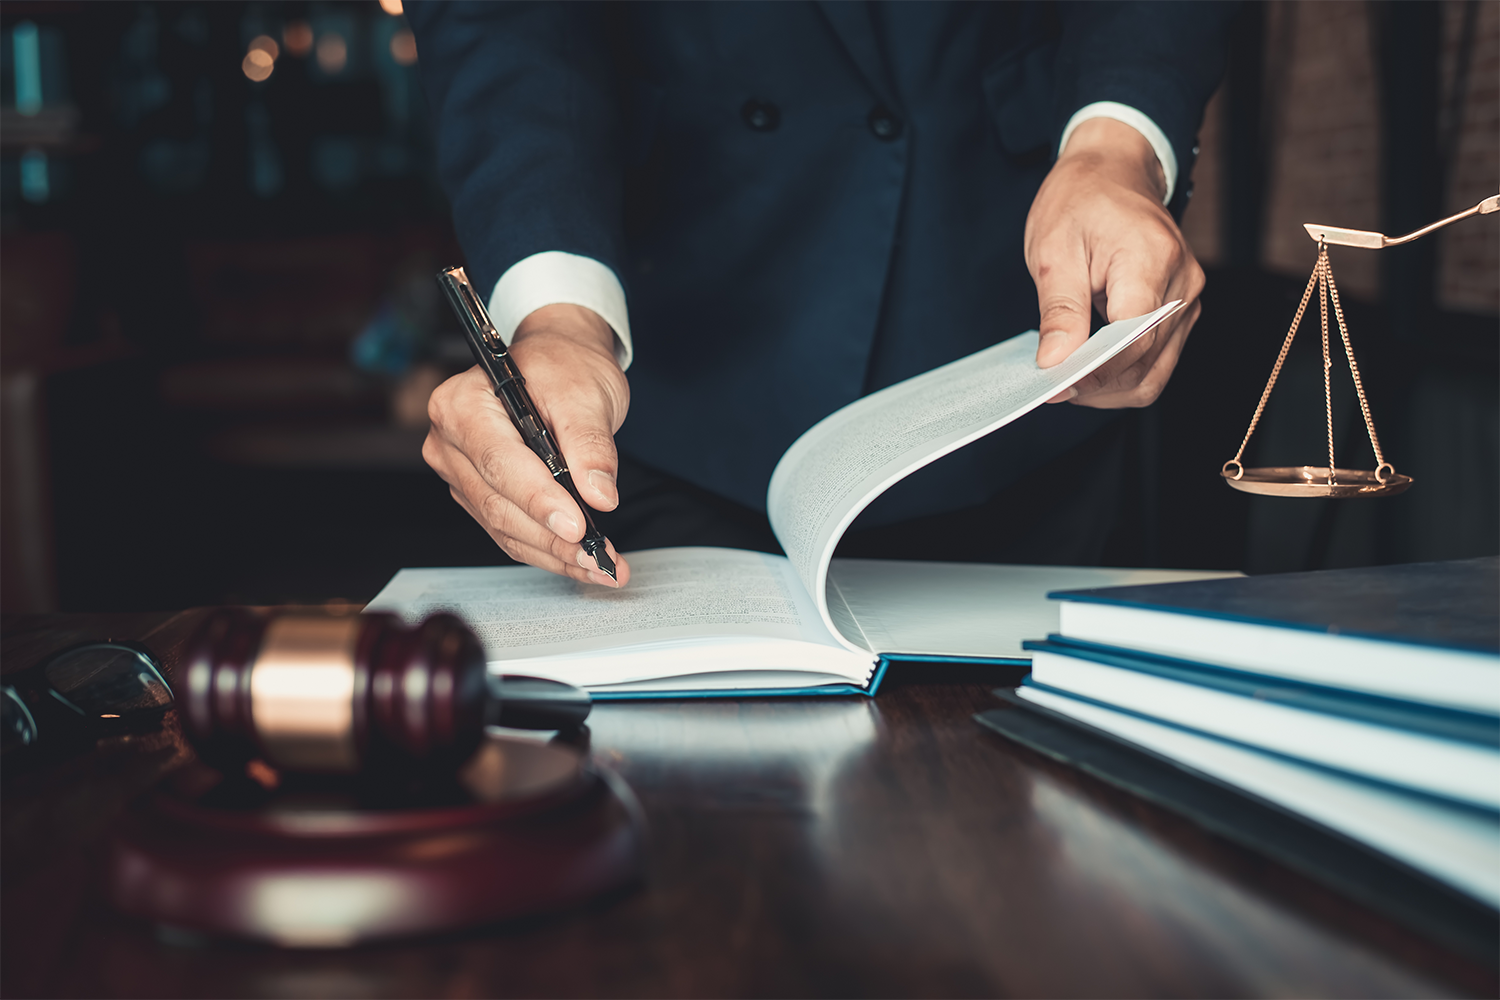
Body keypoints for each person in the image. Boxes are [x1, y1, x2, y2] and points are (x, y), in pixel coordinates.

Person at [406, 0, 1238, 588]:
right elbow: (509, 22)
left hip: (1019, 347)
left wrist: (1115, 147)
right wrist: (558, 316)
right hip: (676, 355)